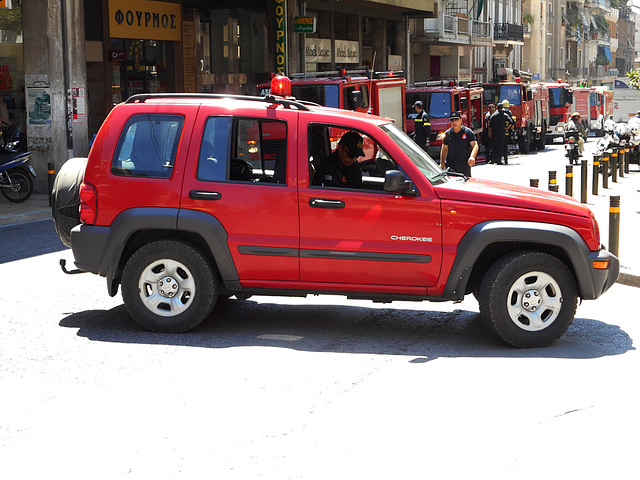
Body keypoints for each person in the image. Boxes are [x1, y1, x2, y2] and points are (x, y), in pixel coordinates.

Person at [440, 111, 478, 177]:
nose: (454, 122)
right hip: (451, 165)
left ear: (461, 120)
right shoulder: (447, 134)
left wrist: (472, 157)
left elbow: (475, 145)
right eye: (452, 120)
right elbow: (444, 148)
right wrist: (442, 162)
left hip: (464, 165)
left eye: (456, 119)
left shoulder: (468, 132)